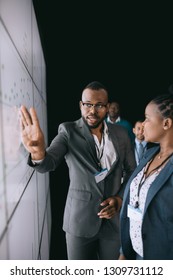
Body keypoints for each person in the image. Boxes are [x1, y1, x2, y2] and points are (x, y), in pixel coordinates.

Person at [19, 81, 136, 260]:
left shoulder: (121, 133)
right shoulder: (68, 130)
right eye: (88, 104)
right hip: (80, 222)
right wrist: (38, 153)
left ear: (107, 106)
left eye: (99, 105)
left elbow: (131, 172)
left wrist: (119, 199)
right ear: (81, 105)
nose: (92, 111)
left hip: (113, 224)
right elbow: (48, 163)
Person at [119, 93, 173, 260]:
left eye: (147, 118)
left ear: (166, 123)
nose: (142, 124)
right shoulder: (149, 154)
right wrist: (124, 252)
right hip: (136, 253)